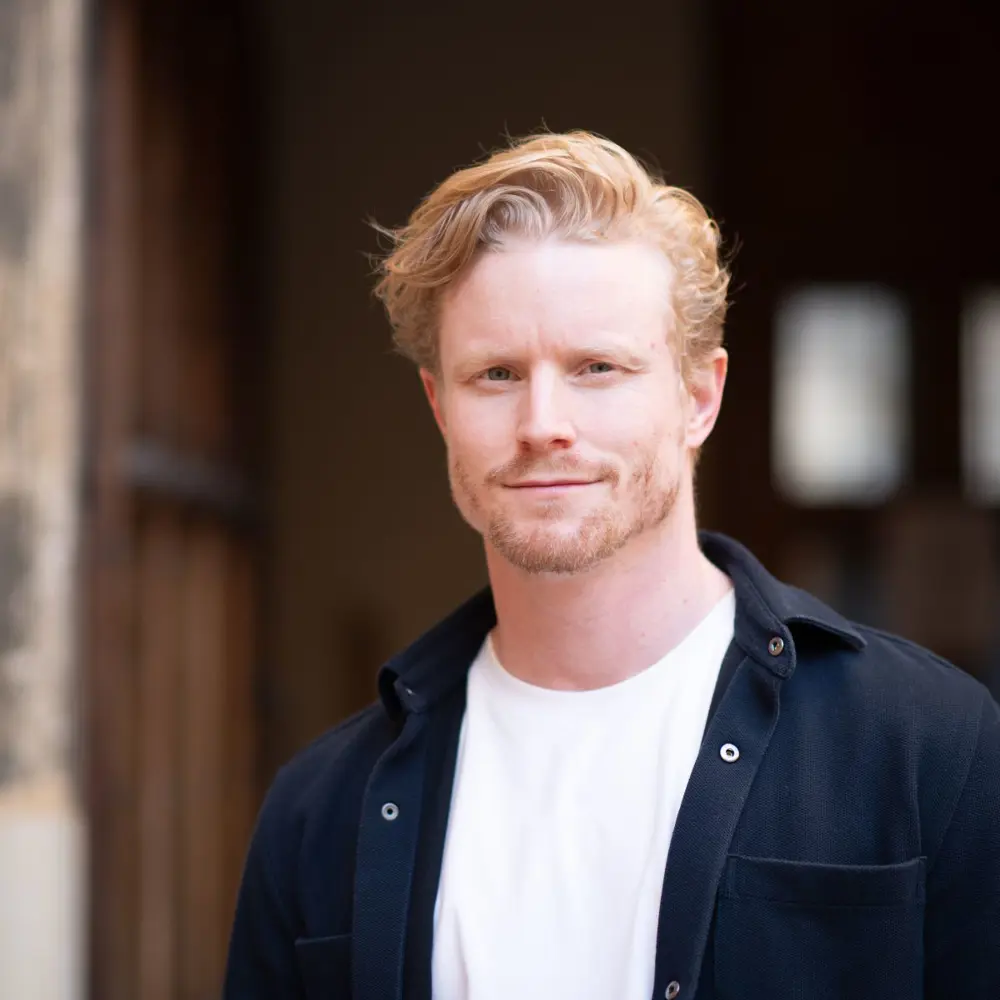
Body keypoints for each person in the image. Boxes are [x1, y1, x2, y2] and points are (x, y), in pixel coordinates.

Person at [223, 132, 1000, 1000]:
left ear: (699, 396)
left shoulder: (934, 748)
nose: (542, 422)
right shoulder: (318, 812)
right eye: (495, 373)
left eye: (597, 367)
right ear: (440, 406)